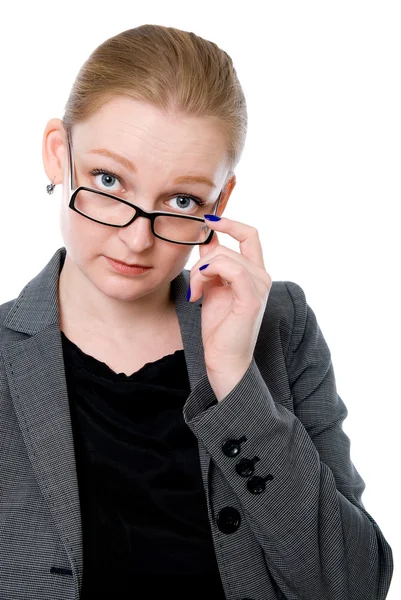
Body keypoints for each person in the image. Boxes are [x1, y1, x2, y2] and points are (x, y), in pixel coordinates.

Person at [0, 24, 393, 600]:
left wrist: (236, 385)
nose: (136, 241)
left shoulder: (280, 324)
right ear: (60, 155)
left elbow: (353, 587)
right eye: (108, 181)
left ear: (220, 202)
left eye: (181, 201)